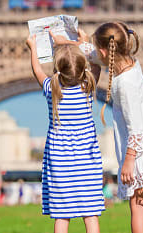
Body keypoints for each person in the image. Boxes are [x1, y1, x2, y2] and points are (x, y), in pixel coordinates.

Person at [51, 21, 143, 233]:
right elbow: (94, 54)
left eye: (98, 50)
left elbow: (137, 130)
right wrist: (68, 42)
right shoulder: (130, 61)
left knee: (138, 208)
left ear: (104, 51)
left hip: (142, 152)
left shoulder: (124, 84)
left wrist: (129, 161)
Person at [27, 33, 104, 233]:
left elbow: (37, 70)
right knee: (91, 214)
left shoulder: (52, 89)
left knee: (62, 216)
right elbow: (96, 65)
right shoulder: (88, 87)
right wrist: (83, 43)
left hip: (60, 162)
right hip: (87, 161)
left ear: (58, 70)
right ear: (82, 69)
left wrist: (33, 47)